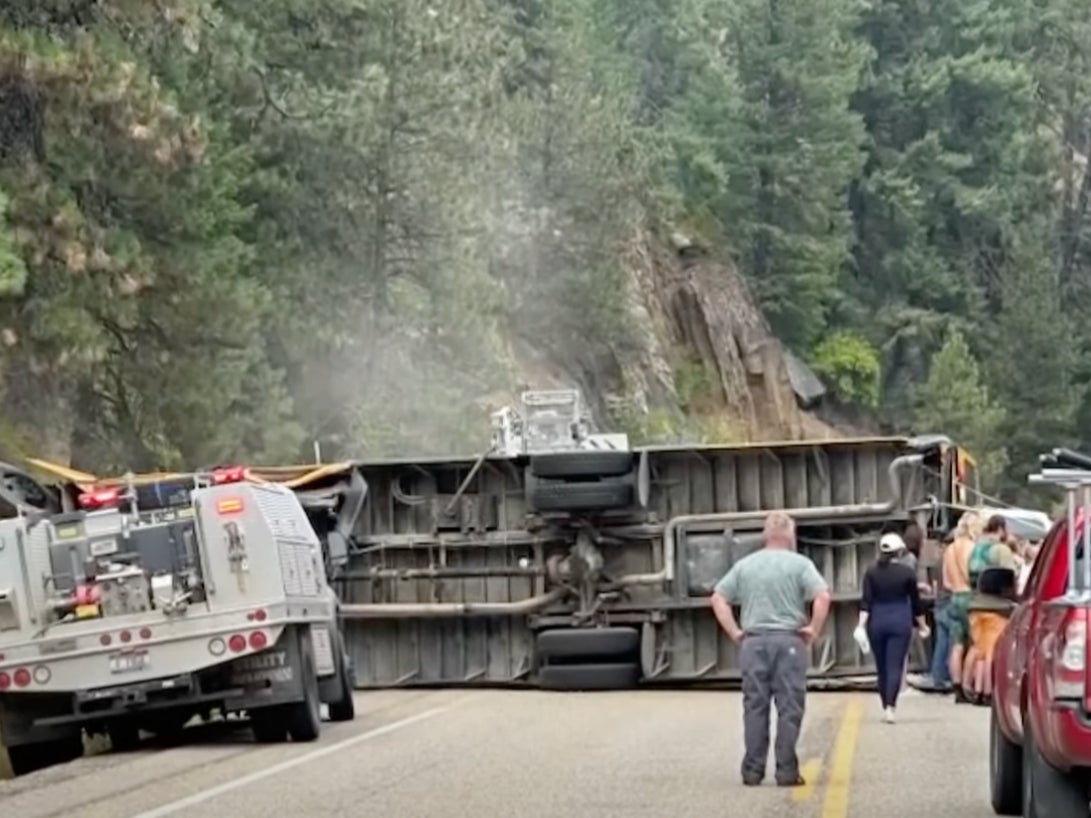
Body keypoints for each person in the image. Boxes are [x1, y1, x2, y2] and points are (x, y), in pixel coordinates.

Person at [710, 511, 832, 788]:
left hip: (753, 642)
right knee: (789, 706)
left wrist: (735, 631)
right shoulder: (801, 565)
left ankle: (752, 770)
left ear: (765, 534)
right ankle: (786, 771)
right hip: (789, 640)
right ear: (790, 534)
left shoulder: (745, 565)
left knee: (755, 705)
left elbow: (718, 598)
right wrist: (813, 628)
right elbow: (822, 596)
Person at [855, 533, 930, 723]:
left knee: (881, 666)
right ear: (900, 551)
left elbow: (866, 602)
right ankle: (891, 707)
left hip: (877, 620)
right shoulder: (907, 573)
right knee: (895, 664)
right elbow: (916, 603)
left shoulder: (871, 572)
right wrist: (922, 626)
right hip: (900, 619)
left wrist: (860, 625)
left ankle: (884, 702)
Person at [962, 514, 1018, 703]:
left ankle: (972, 686)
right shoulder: (1000, 550)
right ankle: (987, 691)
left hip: (975, 606)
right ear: (1001, 529)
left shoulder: (976, 548)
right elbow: (1011, 576)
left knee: (979, 648)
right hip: (996, 606)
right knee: (991, 651)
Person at [942, 511, 983, 701]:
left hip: (954, 597)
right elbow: (971, 575)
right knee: (975, 644)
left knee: (956, 644)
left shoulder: (949, 549)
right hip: (970, 598)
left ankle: (956, 686)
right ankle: (968, 685)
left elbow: (946, 582)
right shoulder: (972, 548)